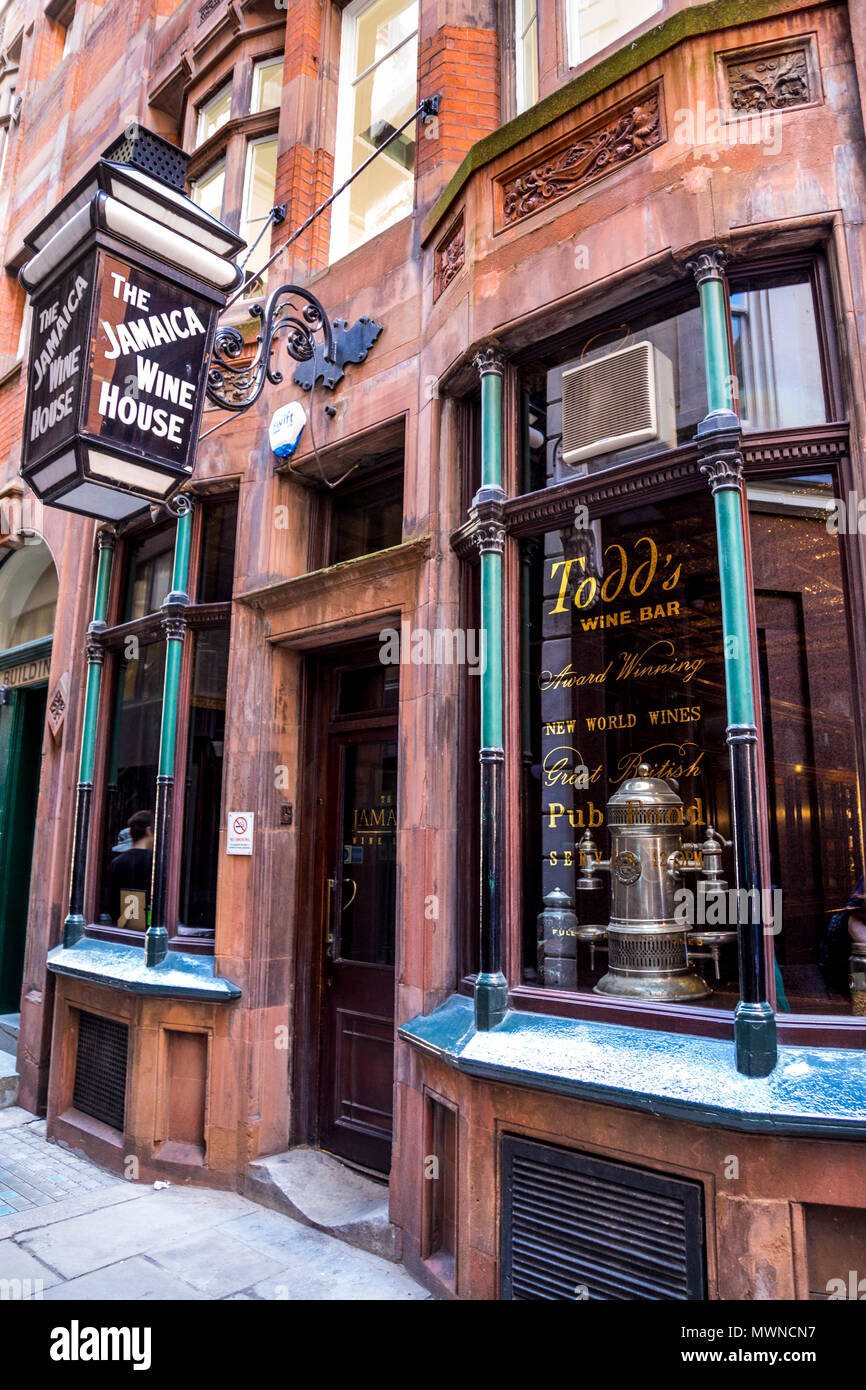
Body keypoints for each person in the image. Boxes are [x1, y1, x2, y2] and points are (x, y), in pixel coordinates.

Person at [106, 810, 153, 929]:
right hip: (149, 927)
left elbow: (111, 903)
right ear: (149, 831)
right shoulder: (155, 862)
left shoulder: (117, 862)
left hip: (125, 927)